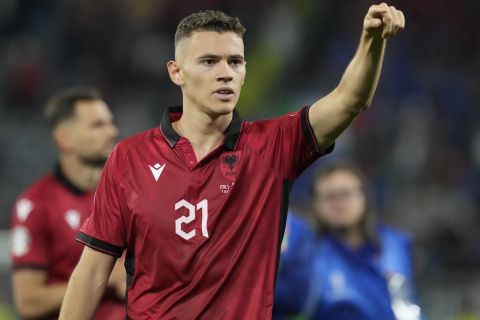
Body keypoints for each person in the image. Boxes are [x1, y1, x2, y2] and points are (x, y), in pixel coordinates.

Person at [60, 5, 405, 319]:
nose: (225, 73)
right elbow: (92, 271)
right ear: (176, 72)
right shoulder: (129, 158)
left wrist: (371, 42)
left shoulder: (273, 147)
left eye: (235, 62)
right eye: (209, 61)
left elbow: (349, 101)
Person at [10, 88, 126, 319]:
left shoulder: (127, 194)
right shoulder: (35, 205)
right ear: (65, 139)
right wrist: (106, 280)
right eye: (97, 125)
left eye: (110, 123)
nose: (112, 132)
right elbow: (28, 302)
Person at [309, 162, 423, 320]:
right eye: (330, 196)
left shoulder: (395, 246)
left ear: (364, 199)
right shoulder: (307, 256)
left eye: (346, 194)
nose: (339, 203)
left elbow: (408, 303)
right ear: (316, 205)